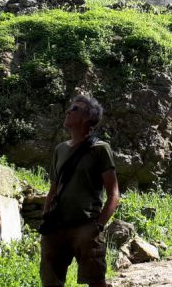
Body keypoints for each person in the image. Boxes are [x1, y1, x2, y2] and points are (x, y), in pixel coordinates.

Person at [41, 94, 119, 287]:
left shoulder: (100, 149)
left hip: (86, 226)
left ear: (88, 118)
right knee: (50, 281)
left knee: (95, 280)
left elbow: (113, 193)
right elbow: (53, 189)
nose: (68, 111)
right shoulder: (59, 149)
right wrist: (45, 218)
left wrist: (98, 225)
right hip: (56, 225)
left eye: (75, 108)